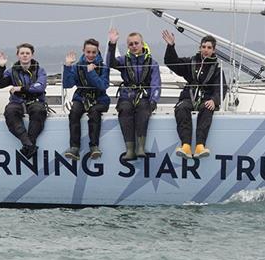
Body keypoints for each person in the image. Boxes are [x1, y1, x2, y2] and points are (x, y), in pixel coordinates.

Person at [162, 30, 227, 158]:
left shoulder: (217, 69)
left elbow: (222, 88)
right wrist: (171, 46)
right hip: (189, 97)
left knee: (207, 109)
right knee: (181, 108)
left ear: (214, 50)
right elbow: (171, 62)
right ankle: (185, 146)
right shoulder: (191, 62)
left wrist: (214, 100)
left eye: (209, 48)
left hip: (206, 99)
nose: (206, 50)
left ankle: (200, 146)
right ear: (200, 48)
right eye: (203, 47)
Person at [107, 27, 161, 161]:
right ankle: (130, 150)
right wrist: (112, 44)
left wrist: (153, 100)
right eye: (131, 44)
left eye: (136, 43)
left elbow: (156, 83)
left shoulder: (152, 63)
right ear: (128, 46)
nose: (134, 46)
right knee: (125, 111)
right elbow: (110, 63)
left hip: (144, 96)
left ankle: (140, 147)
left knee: (143, 110)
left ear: (142, 44)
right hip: (127, 96)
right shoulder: (123, 60)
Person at [0, 43, 47, 158]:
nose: (25, 55)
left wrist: (22, 88)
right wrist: (1, 67)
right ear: (18, 55)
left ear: (32, 55)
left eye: (27, 53)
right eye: (22, 53)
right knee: (10, 111)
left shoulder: (40, 70)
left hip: (35, 101)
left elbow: (40, 86)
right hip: (17, 101)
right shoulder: (12, 71)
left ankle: (29, 144)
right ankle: (28, 144)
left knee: (38, 110)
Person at [63, 38, 110, 160]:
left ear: (97, 52)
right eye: (88, 52)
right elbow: (68, 84)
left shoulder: (104, 67)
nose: (91, 55)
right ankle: (74, 147)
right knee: (74, 113)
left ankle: (94, 146)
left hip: (100, 99)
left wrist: (91, 73)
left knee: (94, 113)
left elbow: (103, 85)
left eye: (93, 52)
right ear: (83, 51)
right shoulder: (77, 67)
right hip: (81, 97)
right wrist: (68, 67)